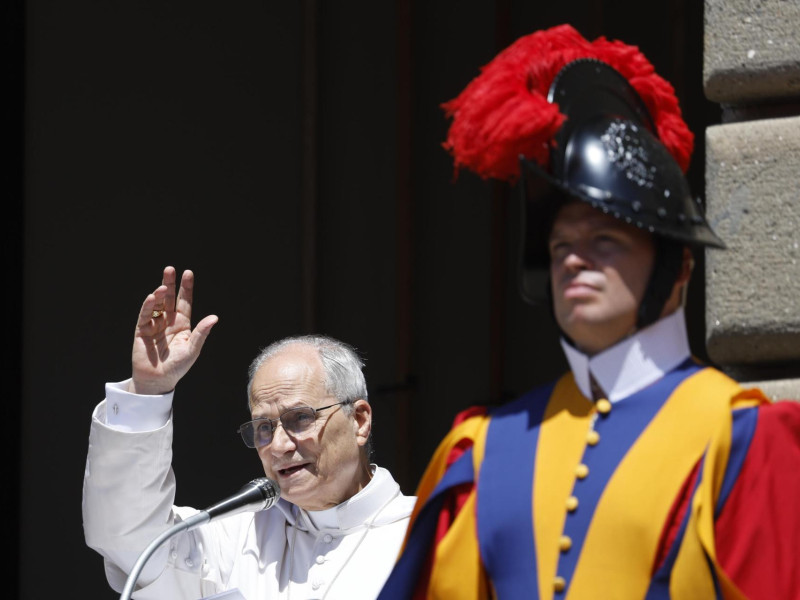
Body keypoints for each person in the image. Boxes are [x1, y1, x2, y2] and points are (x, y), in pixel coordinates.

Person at [377, 24, 800, 600]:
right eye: (559, 246)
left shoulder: (741, 437)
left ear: (677, 267)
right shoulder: (482, 447)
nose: (574, 259)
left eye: (605, 239)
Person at [83, 266, 416, 600]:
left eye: (300, 418)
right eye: (264, 428)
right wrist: (149, 391)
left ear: (359, 420)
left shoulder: (429, 537)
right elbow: (127, 540)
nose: (280, 446)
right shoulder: (234, 539)